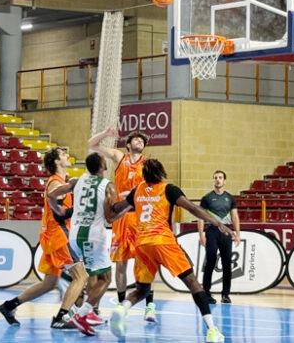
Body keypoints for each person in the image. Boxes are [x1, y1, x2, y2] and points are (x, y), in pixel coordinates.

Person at [109, 159, 231, 342]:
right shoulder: (169, 189)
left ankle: (122, 308)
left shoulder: (137, 191)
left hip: (142, 244)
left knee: (142, 289)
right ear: (161, 172)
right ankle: (212, 330)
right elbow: (192, 208)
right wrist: (216, 222)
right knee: (193, 283)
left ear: (144, 175)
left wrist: (108, 199)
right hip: (163, 241)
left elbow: (116, 209)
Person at [0, 147, 92, 334]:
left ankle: (9, 306)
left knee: (49, 283)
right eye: (64, 155)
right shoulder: (55, 183)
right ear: (56, 162)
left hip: (52, 236)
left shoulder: (60, 182)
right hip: (58, 235)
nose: (67, 155)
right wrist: (75, 184)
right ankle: (61, 317)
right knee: (81, 276)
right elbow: (56, 200)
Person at [47, 153, 128, 329]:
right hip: (93, 237)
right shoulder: (108, 186)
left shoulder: (77, 181)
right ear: (102, 167)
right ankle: (81, 315)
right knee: (105, 278)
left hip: (75, 235)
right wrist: (128, 207)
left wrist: (58, 211)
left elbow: (51, 195)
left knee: (92, 274)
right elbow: (110, 218)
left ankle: (88, 314)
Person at [88, 126, 157, 321]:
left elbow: (157, 188)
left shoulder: (148, 164)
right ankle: (121, 306)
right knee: (120, 266)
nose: (140, 143)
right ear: (128, 144)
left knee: (145, 263)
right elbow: (92, 144)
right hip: (121, 217)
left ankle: (149, 306)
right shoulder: (120, 158)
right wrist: (106, 134)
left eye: (142, 141)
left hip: (141, 217)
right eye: (136, 140)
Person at [198, 170, 241, 304]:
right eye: (216, 178)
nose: (218, 180)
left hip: (226, 232)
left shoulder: (230, 198)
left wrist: (238, 233)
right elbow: (200, 217)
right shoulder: (207, 198)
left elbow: (234, 216)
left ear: (224, 181)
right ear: (213, 180)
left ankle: (225, 295)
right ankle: (206, 293)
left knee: (227, 264)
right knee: (210, 260)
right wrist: (201, 235)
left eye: (220, 178)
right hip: (212, 231)